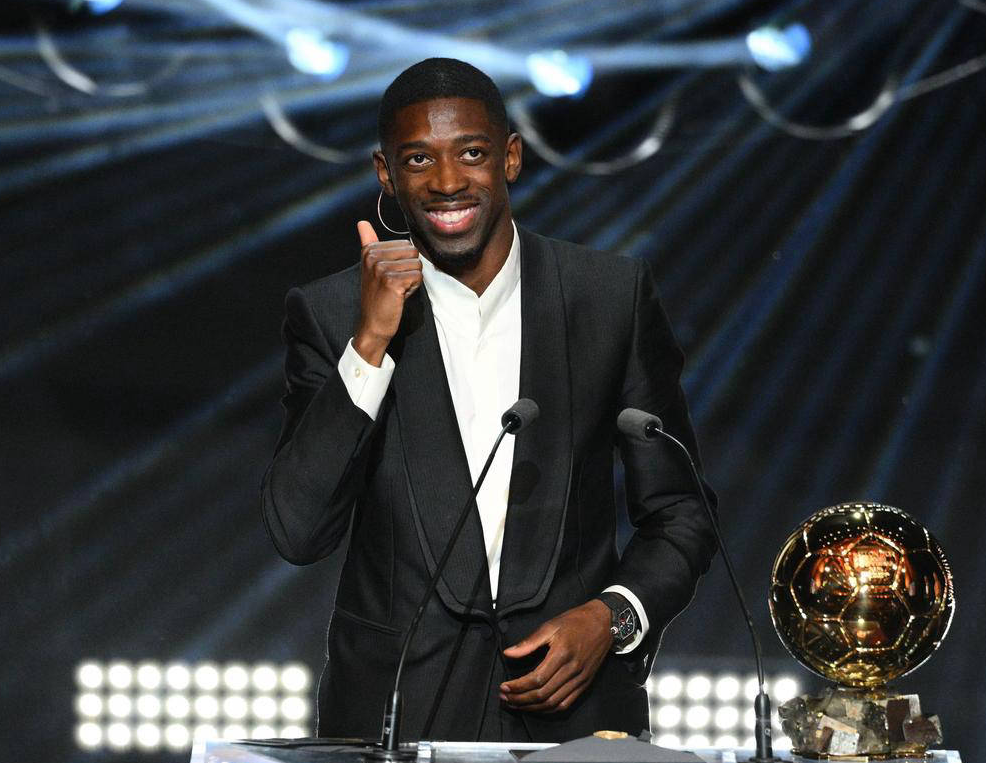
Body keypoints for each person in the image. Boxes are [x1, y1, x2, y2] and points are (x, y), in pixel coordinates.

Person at [262, 57, 717, 743]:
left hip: (574, 717)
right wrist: (370, 341)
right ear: (386, 174)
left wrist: (612, 616)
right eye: (418, 159)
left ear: (510, 157)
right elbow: (298, 531)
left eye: (471, 153)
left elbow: (681, 512)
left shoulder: (607, 297)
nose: (447, 182)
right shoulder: (332, 315)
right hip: (396, 717)